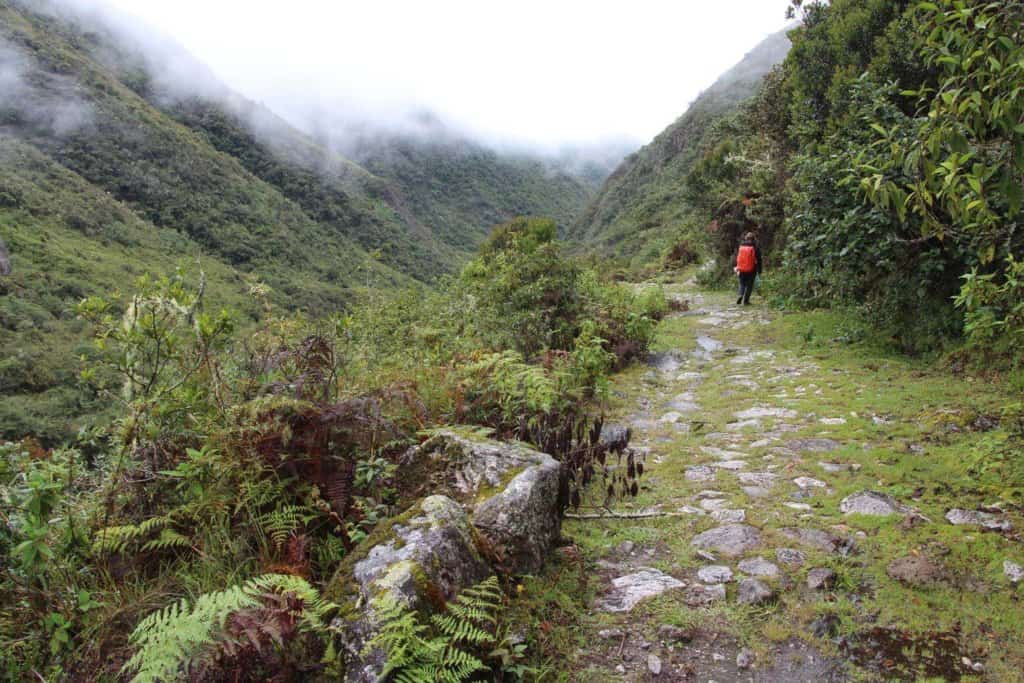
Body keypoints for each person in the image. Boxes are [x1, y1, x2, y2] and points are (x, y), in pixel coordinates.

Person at [734, 231, 762, 305]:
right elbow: (759, 259)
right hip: (752, 269)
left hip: (742, 268)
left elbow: (739, 257)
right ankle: (746, 301)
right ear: (754, 239)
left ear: (746, 238)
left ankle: (740, 295)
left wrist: (737, 266)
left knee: (742, 283)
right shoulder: (755, 247)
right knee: (749, 285)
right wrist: (759, 270)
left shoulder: (742, 246)